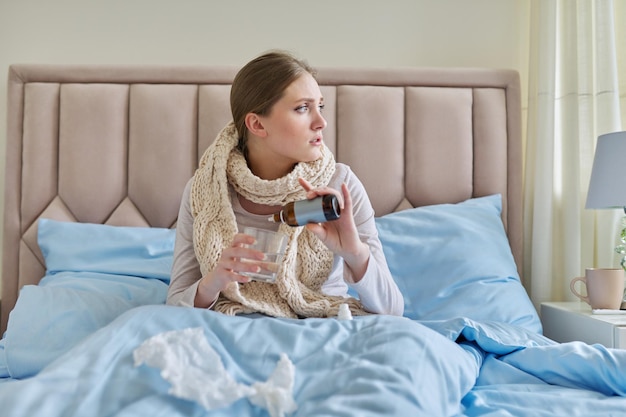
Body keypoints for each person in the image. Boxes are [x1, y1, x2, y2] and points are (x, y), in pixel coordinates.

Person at [167, 50, 403, 318]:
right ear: (257, 124)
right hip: (233, 329)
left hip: (325, 329)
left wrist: (355, 253)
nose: (321, 122)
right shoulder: (204, 191)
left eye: (320, 106)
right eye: (303, 108)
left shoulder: (340, 186)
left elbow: (393, 310)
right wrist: (213, 282)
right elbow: (175, 303)